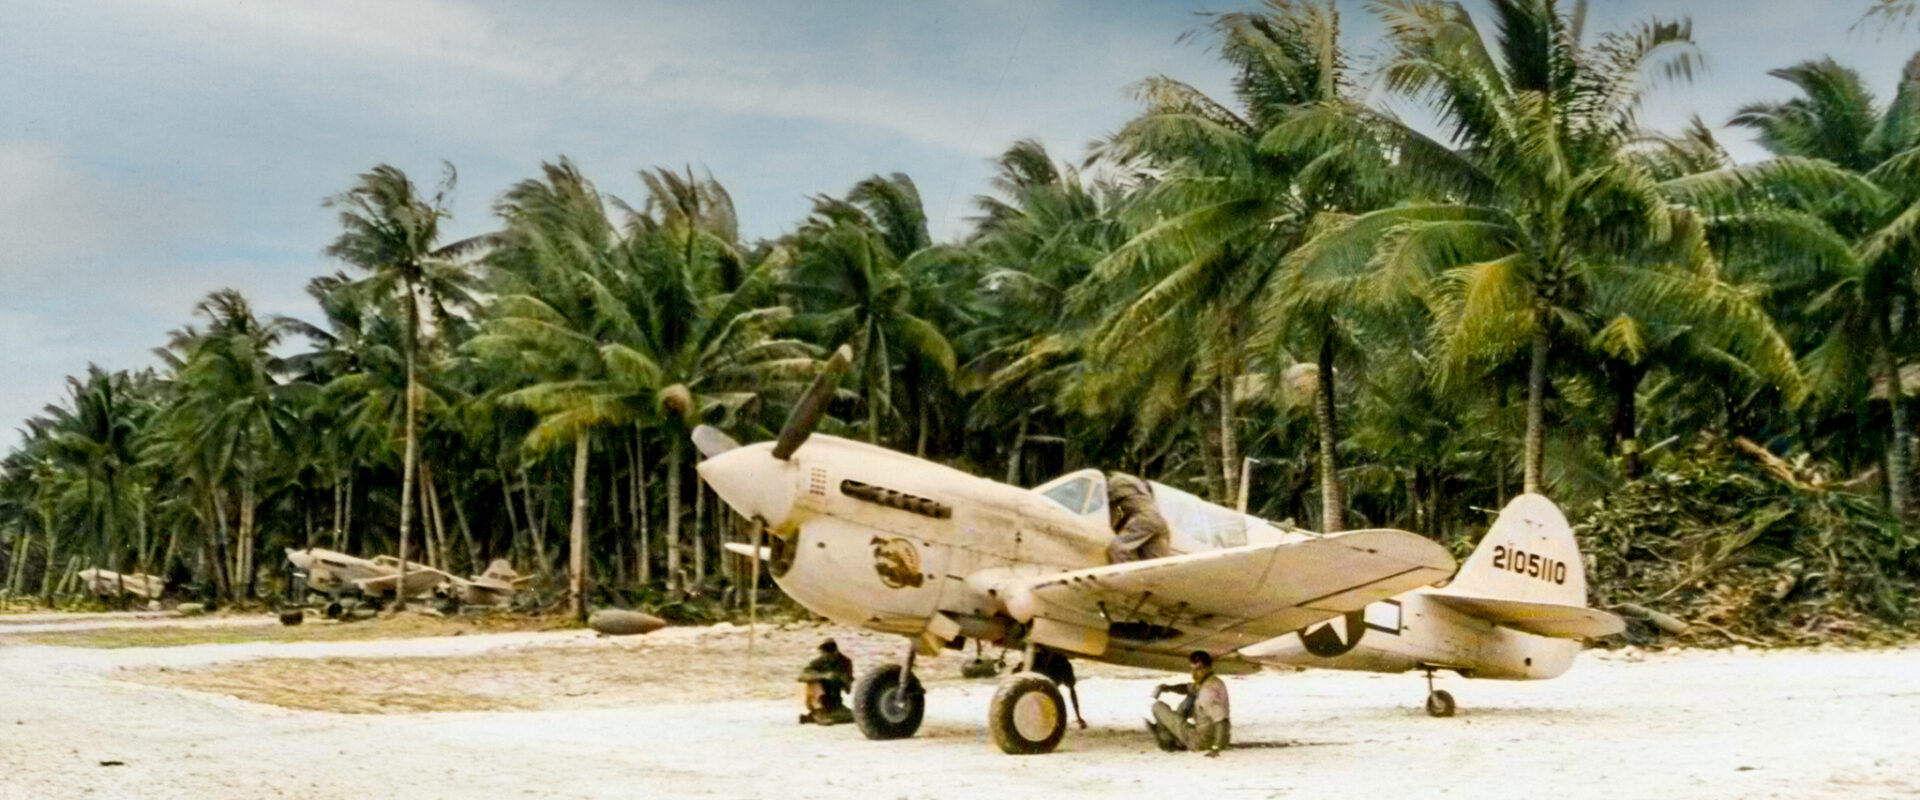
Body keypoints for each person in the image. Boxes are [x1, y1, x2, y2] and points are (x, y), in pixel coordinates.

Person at [1146, 651, 1231, 756]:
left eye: (1199, 669)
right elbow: (1188, 688)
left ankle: (1166, 740)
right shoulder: (1213, 682)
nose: (1194, 673)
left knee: (1157, 707)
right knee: (1191, 698)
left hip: (1200, 741)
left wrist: (1216, 748)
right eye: (1192, 669)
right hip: (1213, 737)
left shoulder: (1207, 691)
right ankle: (1168, 733)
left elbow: (1222, 720)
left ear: (1208, 667)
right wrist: (1167, 688)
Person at [1106, 473, 1172, 563]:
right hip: (1157, 521)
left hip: (1145, 519)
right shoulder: (1132, 484)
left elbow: (1116, 518)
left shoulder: (1115, 486)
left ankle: (1127, 576)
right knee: (1157, 567)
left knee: (1118, 548)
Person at [1015, 648, 1088, 730]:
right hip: (1035, 693)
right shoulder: (1037, 659)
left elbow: (1072, 691)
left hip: (1047, 696)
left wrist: (1078, 716)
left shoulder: (1064, 664)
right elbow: (1017, 675)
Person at [798, 639, 855, 725]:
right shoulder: (818, 662)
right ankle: (819, 712)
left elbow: (848, 690)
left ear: (835, 652)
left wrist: (843, 679)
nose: (824, 656)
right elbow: (801, 676)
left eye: (827, 654)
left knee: (856, 716)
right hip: (818, 702)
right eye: (823, 653)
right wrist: (824, 676)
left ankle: (813, 717)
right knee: (813, 681)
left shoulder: (845, 662)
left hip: (835, 703)